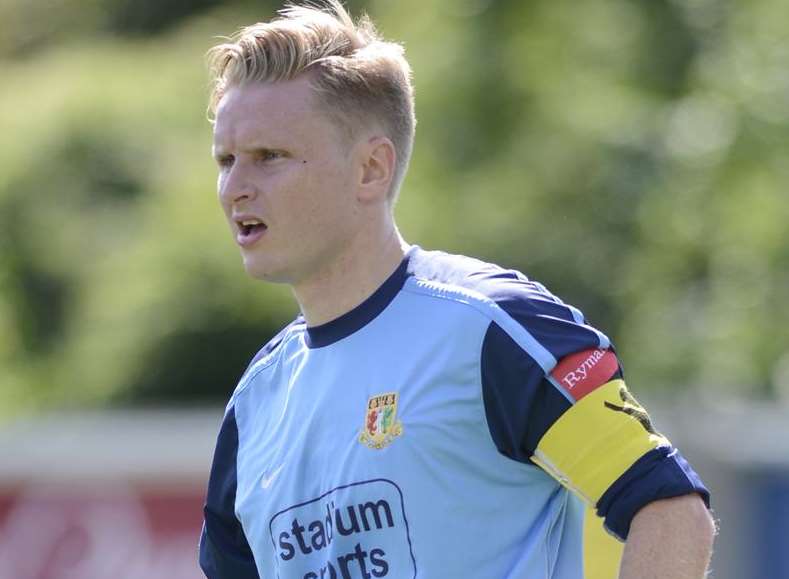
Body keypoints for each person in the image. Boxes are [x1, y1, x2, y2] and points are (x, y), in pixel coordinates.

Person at [199, 2, 716, 578]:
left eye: (270, 157)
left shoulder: (494, 327)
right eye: (226, 160)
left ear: (371, 168)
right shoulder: (255, 402)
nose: (235, 188)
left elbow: (669, 509)